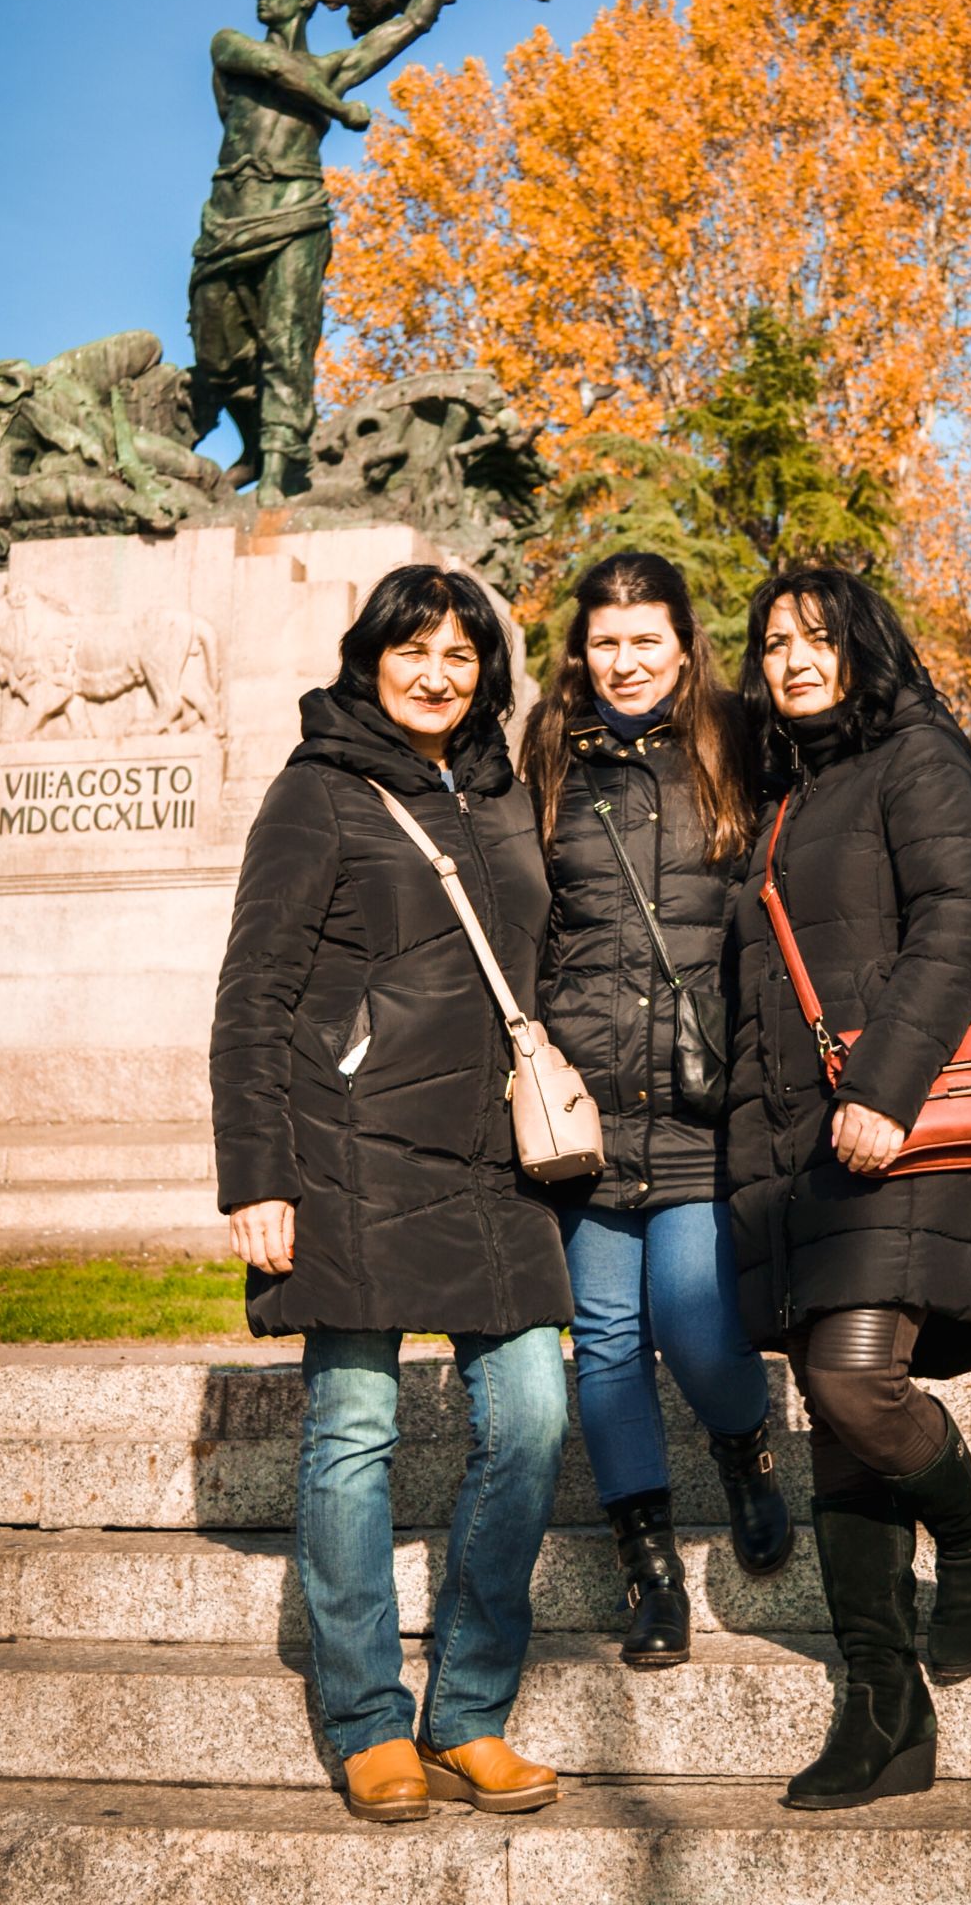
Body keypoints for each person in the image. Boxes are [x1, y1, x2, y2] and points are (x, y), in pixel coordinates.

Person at [210, 563, 570, 1824]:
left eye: (461, 655)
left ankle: (465, 1709)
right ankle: (368, 1719)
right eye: (413, 649)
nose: (436, 673)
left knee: (532, 1415)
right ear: (369, 657)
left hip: (492, 1158)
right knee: (352, 1429)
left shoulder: (503, 792)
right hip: (348, 1147)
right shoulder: (316, 791)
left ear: (486, 674)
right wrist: (255, 1174)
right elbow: (252, 992)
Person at [727, 567, 971, 1810]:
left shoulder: (916, 756)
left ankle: (969, 1532)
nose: (792, 657)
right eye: (771, 641)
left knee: (852, 1380)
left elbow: (957, 921)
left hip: (896, 1125)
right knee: (835, 1425)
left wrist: (885, 1086)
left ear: (862, 645)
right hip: (794, 1152)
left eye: (816, 636)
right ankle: (882, 1711)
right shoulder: (780, 794)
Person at [520, 551, 793, 1669]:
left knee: (689, 1313)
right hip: (587, 1103)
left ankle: (745, 1447)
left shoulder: (738, 741)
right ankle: (651, 1571)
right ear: (578, 651)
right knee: (606, 1341)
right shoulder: (547, 750)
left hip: (697, 1097)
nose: (624, 661)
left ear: (683, 645)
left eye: (645, 640)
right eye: (605, 641)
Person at [188, 0, 452, 502]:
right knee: (217, 357)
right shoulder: (229, 46)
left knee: (288, 339)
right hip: (229, 218)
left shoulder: (330, 66)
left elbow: (408, 25)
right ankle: (256, 449)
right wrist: (340, 109)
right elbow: (276, 69)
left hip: (299, 211)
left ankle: (279, 465)